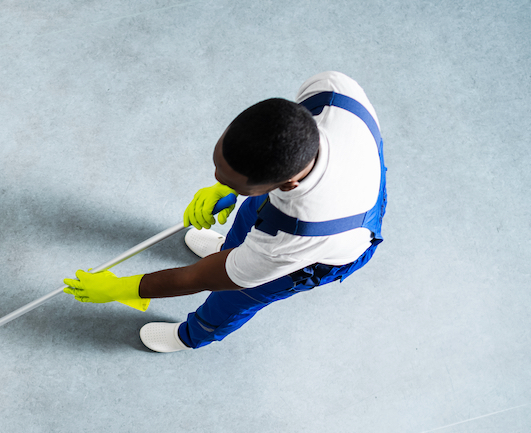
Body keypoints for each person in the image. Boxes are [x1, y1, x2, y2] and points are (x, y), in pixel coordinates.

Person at [63, 71, 386, 352]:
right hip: (339, 183)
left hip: (330, 246)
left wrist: (123, 288)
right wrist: (230, 189)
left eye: (230, 180)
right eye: (218, 166)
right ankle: (230, 250)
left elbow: (198, 277)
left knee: (236, 296)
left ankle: (191, 336)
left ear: (284, 185)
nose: (216, 178)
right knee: (250, 216)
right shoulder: (330, 90)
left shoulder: (293, 239)